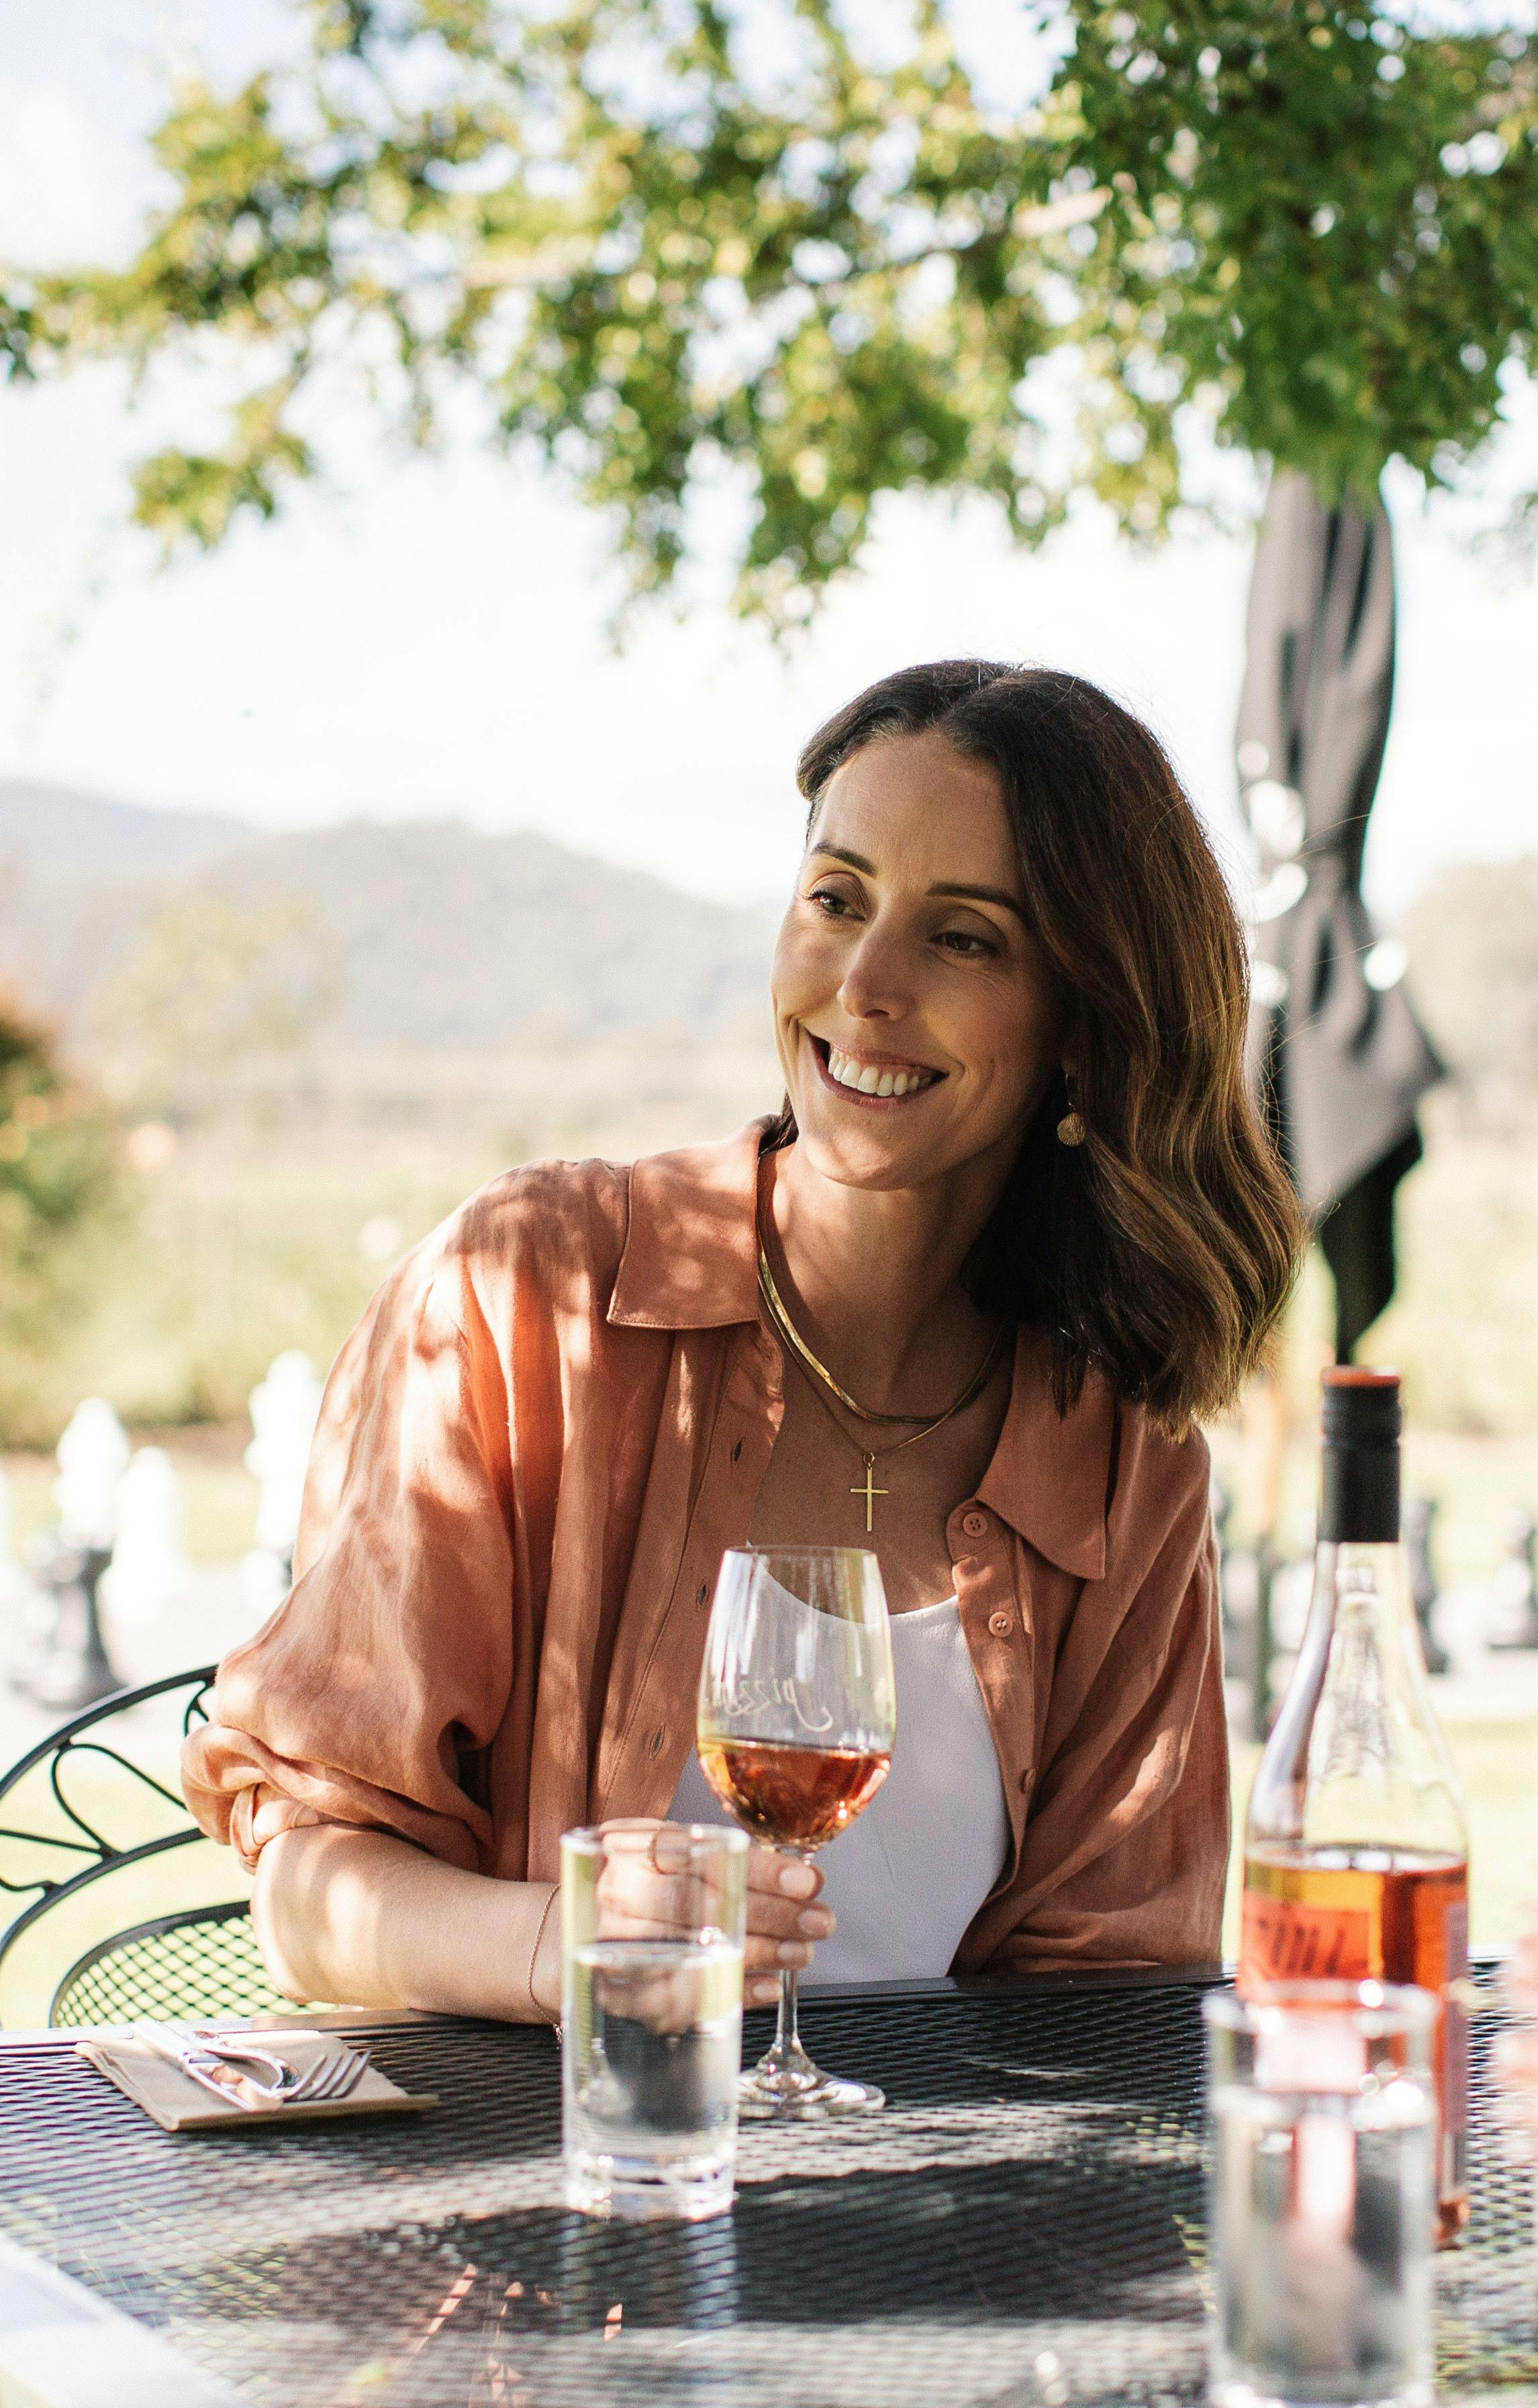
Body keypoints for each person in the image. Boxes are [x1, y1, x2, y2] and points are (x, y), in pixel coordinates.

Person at [185, 661, 1300, 2019]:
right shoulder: (525, 1295)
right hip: (549, 2187)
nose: (864, 984)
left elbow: (1112, 2001)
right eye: (835, 901)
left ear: (1083, 1028)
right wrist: (566, 1950)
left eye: (963, 939)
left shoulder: (1120, 1450)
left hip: (941, 2219)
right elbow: (306, 1898)